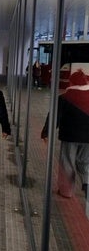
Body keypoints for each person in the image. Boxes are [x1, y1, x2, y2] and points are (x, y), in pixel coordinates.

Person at [41, 69, 89, 198]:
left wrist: (46, 133)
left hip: (69, 136)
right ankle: (87, 182)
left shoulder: (64, 98)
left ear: (71, 82)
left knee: (67, 162)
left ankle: (66, 191)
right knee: (85, 161)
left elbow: (54, 117)